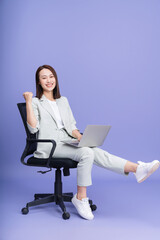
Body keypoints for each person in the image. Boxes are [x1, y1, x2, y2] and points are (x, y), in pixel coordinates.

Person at [23, 64, 159, 220]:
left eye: (51, 76)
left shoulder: (63, 101)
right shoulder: (35, 102)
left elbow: (71, 126)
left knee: (95, 151)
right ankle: (81, 198)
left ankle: (138, 168)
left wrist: (80, 137)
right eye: (44, 77)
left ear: (56, 79)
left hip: (67, 141)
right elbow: (33, 129)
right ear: (39, 82)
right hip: (50, 146)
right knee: (87, 152)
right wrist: (28, 101)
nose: (49, 80)